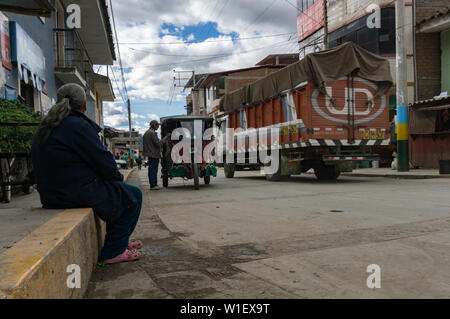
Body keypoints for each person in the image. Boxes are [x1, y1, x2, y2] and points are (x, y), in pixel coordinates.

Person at [31, 83, 143, 264]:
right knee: (132, 196)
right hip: (71, 192)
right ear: (83, 105)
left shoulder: (49, 125)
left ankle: (120, 242)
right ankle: (114, 250)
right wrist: (117, 179)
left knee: (118, 194)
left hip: (51, 194)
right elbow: (103, 160)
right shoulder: (77, 124)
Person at [142, 120, 170, 190]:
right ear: (154, 125)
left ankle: (153, 184)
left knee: (151, 170)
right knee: (153, 170)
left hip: (150, 154)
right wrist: (166, 137)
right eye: (157, 125)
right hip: (154, 154)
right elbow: (159, 144)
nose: (158, 127)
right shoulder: (152, 133)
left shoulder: (146, 133)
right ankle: (153, 185)